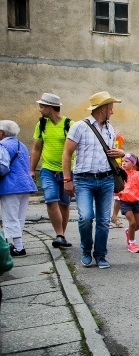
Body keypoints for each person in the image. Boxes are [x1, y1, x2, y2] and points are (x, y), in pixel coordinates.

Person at [61, 91, 126, 269]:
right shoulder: (79, 127)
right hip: (84, 180)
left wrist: (120, 153)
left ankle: (100, 255)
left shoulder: (110, 129)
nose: (112, 111)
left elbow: (110, 154)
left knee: (104, 220)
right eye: (111, 107)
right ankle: (86, 250)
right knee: (86, 217)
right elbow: (66, 153)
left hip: (106, 179)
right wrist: (67, 179)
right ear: (103, 108)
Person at [29, 93, 72, 248]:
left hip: (67, 171)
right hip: (47, 169)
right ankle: (59, 234)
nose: (39, 109)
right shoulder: (41, 125)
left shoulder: (69, 124)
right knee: (50, 199)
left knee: (64, 204)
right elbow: (36, 148)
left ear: (50, 107)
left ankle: (62, 236)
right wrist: (31, 170)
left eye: (41, 106)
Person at [0, 120, 38, 256]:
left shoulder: (2, 145)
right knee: (19, 217)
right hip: (25, 185)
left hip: (10, 186)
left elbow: (2, 167)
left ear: (2, 132)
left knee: (10, 217)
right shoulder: (21, 145)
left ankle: (18, 248)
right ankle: (15, 245)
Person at [118, 154, 139, 253]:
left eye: (126, 161)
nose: (123, 163)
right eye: (122, 161)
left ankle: (129, 232)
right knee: (132, 222)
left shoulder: (138, 174)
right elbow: (115, 185)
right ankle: (132, 243)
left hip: (135, 202)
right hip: (124, 201)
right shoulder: (120, 174)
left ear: (133, 163)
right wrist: (118, 192)